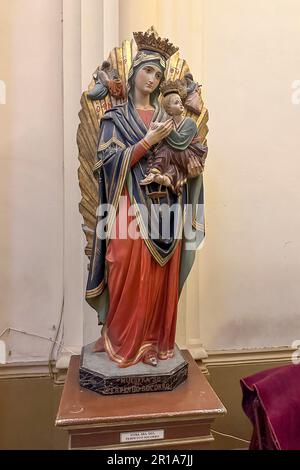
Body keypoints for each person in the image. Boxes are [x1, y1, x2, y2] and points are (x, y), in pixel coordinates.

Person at [85, 30, 207, 368]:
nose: (152, 79)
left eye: (158, 74)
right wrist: (147, 142)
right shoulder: (115, 118)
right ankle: (119, 338)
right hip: (126, 204)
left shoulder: (171, 120)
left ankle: (152, 343)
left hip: (165, 208)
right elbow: (106, 166)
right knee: (121, 261)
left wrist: (190, 168)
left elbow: (187, 161)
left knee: (157, 275)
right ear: (134, 70)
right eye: (147, 70)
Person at [140, 79, 206, 194]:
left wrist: (164, 128)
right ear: (169, 110)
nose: (180, 104)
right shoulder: (170, 123)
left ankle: (155, 171)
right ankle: (166, 179)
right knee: (163, 150)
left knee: (166, 149)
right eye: (176, 103)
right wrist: (153, 132)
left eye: (180, 101)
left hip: (190, 156)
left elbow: (180, 143)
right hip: (177, 158)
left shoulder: (190, 123)